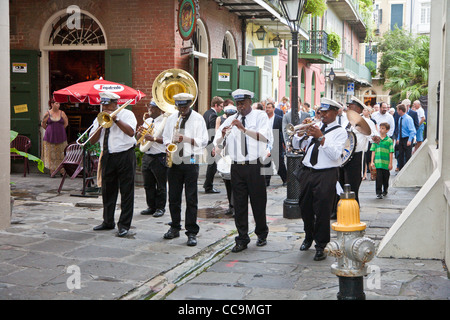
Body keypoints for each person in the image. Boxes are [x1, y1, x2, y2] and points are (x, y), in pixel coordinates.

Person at [214, 89, 273, 253]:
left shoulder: (260, 117)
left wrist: (244, 130)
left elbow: (265, 137)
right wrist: (222, 136)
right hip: (237, 166)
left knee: (258, 202)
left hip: (255, 165)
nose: (240, 107)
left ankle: (261, 233)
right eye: (238, 103)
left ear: (249, 102)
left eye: (243, 103)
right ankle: (242, 238)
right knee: (239, 204)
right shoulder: (231, 119)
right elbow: (217, 142)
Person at [293, 97, 347, 261]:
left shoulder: (340, 132)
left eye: (326, 112)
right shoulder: (315, 127)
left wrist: (321, 137)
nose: (322, 115)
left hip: (326, 174)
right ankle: (308, 236)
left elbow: (336, 155)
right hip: (308, 172)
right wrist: (301, 133)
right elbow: (297, 146)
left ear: (335, 113)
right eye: (321, 112)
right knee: (305, 208)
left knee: (322, 211)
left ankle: (321, 245)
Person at [162, 93, 208, 246]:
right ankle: (175, 227)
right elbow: (165, 137)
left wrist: (185, 139)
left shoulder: (198, 118)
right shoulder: (171, 118)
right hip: (175, 160)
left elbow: (204, 141)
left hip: (190, 159)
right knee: (173, 197)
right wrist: (169, 145)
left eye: (185, 106)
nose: (182, 109)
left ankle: (192, 232)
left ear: (190, 105)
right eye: (179, 106)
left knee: (191, 197)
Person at [91, 92, 137, 238]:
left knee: (126, 191)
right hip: (108, 156)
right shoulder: (99, 117)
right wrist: (100, 125)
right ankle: (108, 221)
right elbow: (92, 141)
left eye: (107, 104)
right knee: (107, 190)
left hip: (125, 155)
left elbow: (131, 132)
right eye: (103, 104)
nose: (104, 107)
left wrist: (115, 119)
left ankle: (124, 225)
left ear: (115, 103)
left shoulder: (127, 114)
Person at [338, 96, 379, 205]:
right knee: (341, 182)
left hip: (356, 156)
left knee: (353, 184)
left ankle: (353, 207)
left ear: (357, 109)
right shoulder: (345, 121)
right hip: (343, 156)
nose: (348, 107)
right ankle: (341, 207)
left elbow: (374, 137)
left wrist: (375, 137)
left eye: (350, 106)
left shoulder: (366, 122)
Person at [137, 100, 170, 217]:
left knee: (160, 184)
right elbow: (139, 138)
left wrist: (153, 139)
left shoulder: (166, 122)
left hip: (159, 156)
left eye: (151, 107)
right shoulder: (149, 121)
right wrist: (140, 133)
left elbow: (168, 140)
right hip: (147, 155)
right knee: (148, 184)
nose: (149, 109)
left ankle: (160, 208)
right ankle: (151, 206)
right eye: (149, 106)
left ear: (158, 109)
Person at [215, 104, 238, 216]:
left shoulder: (238, 126)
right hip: (226, 157)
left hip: (236, 157)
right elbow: (219, 140)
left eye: (231, 115)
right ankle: (230, 205)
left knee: (235, 185)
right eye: (227, 115)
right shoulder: (225, 126)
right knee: (227, 183)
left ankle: (235, 207)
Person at [202, 96, 224, 194]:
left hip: (207, 142)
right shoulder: (213, 116)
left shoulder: (206, 113)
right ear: (216, 105)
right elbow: (212, 132)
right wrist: (214, 146)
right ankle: (208, 186)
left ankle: (207, 184)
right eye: (221, 106)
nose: (222, 109)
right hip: (211, 143)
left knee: (212, 165)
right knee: (212, 166)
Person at [41, 99, 68, 176]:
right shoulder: (48, 113)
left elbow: (66, 123)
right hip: (50, 137)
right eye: (56, 103)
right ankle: (52, 171)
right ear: (52, 104)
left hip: (61, 136)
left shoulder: (62, 113)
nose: (58, 105)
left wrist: (59, 129)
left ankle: (62, 171)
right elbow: (43, 124)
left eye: (59, 103)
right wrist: (50, 130)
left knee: (61, 153)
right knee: (51, 154)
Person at [264, 101, 287, 186]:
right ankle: (266, 181)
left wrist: (285, 144)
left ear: (273, 109)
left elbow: (283, 132)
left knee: (279, 162)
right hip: (266, 143)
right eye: (266, 108)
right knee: (266, 162)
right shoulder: (264, 118)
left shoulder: (279, 118)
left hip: (276, 142)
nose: (267, 109)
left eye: (269, 108)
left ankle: (285, 179)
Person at [370, 122, 394, 199]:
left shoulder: (389, 140)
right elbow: (373, 150)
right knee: (378, 177)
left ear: (387, 130)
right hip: (378, 162)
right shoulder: (376, 139)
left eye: (383, 128)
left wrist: (390, 163)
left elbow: (391, 152)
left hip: (386, 162)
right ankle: (378, 192)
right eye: (380, 128)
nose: (381, 130)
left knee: (385, 177)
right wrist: (372, 161)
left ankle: (385, 189)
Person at [395, 104, 416, 170]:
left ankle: (408, 170)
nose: (397, 112)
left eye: (398, 110)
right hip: (401, 138)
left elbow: (412, 131)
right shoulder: (400, 118)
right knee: (400, 156)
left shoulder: (408, 119)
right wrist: (398, 138)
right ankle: (401, 170)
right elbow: (400, 129)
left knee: (407, 156)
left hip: (407, 139)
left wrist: (409, 140)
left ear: (401, 110)